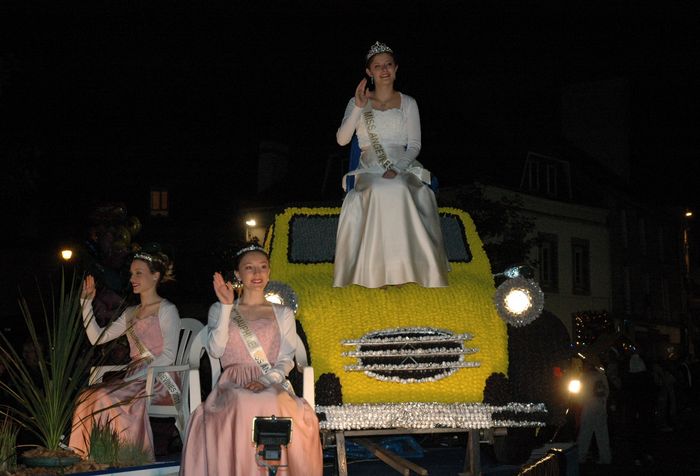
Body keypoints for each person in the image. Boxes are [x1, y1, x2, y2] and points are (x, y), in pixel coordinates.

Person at [180, 245, 322, 475]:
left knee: (272, 401)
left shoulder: (283, 312)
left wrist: (267, 380)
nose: (257, 274)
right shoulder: (219, 308)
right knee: (242, 400)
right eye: (249, 268)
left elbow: (287, 358)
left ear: (269, 272)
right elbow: (216, 351)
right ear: (237, 274)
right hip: (232, 382)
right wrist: (227, 307)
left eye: (262, 267)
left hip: (273, 380)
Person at [333, 41, 449, 289]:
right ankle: (376, 275)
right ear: (369, 72)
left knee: (401, 187)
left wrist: (398, 167)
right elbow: (342, 139)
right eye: (377, 66)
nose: (383, 70)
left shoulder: (408, 103)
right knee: (378, 189)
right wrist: (359, 108)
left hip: (402, 163)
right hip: (369, 165)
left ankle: (412, 270)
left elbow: (415, 144)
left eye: (388, 65)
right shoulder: (357, 102)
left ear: (396, 69)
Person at [69, 246, 181, 461]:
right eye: (131, 273)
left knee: (105, 395)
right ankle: (86, 456)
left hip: (160, 379)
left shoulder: (167, 309)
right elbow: (97, 338)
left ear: (155, 276)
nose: (132, 278)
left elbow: (169, 355)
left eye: (139, 273)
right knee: (87, 395)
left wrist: (137, 376)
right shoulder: (131, 313)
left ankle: (127, 457)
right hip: (133, 377)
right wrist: (86, 304)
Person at [576, 359, 612, 465]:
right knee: (602, 434)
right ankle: (606, 458)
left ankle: (580, 457)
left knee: (585, 434)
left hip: (588, 407)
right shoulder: (601, 375)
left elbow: (580, 395)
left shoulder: (584, 376)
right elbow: (607, 392)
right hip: (601, 406)